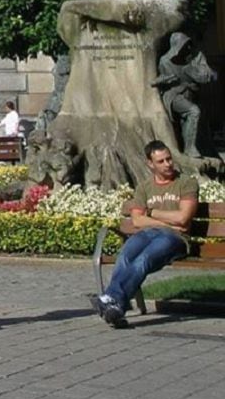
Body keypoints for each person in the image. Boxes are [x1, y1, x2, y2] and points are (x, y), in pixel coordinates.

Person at [89, 140, 197, 329]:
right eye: (161, 161)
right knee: (125, 256)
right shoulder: (144, 187)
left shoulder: (186, 183)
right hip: (147, 234)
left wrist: (151, 212)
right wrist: (162, 220)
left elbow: (182, 218)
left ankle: (111, 299)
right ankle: (116, 308)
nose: (168, 164)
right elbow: (138, 221)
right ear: (150, 164)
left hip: (175, 238)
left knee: (144, 259)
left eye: (169, 159)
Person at [152, 32, 216, 158]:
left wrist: (191, 68)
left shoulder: (196, 57)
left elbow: (207, 76)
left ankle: (189, 146)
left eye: (188, 44)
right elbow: (163, 80)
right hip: (174, 95)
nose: (187, 48)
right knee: (193, 111)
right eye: (183, 45)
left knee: (189, 121)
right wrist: (165, 80)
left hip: (192, 95)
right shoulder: (165, 61)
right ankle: (190, 148)